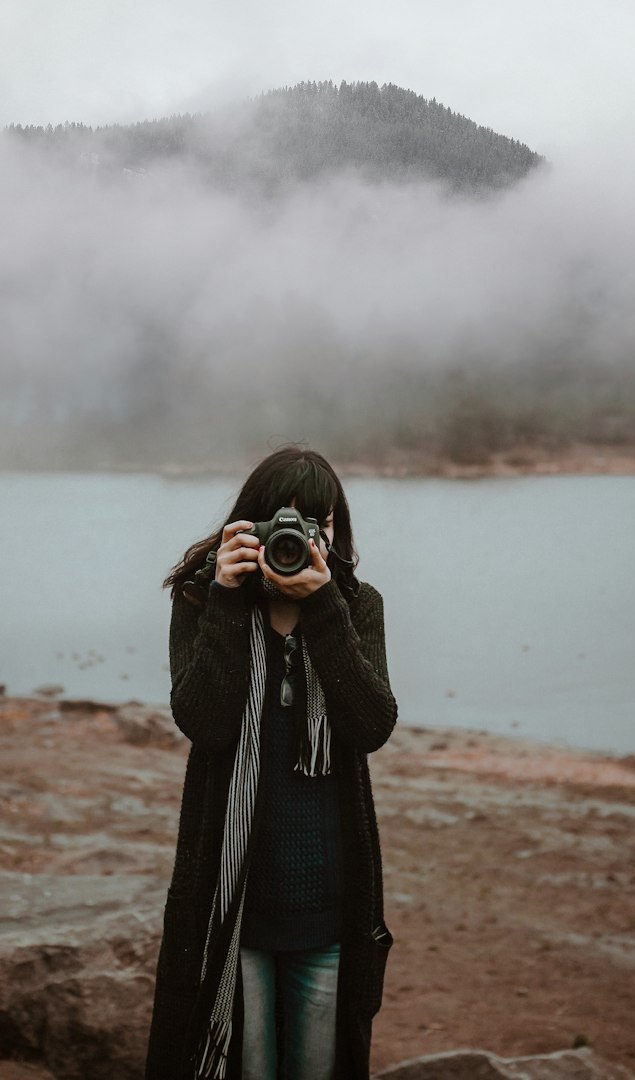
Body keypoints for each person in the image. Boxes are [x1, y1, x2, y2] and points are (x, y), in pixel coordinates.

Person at [145, 446, 397, 1080]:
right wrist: (228, 599)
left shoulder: (356, 605)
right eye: (284, 520)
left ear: (336, 531)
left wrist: (322, 608)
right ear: (248, 525)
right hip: (231, 906)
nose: (301, 537)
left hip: (330, 907)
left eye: (321, 522)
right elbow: (203, 722)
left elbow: (371, 725)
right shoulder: (206, 602)